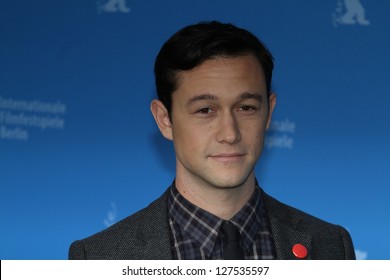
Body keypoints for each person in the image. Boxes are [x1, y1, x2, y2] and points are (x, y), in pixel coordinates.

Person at [68, 21, 355, 260]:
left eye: (246, 108)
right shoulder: (98, 258)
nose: (230, 134)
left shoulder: (332, 247)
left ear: (269, 114)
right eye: (205, 110)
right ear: (164, 119)